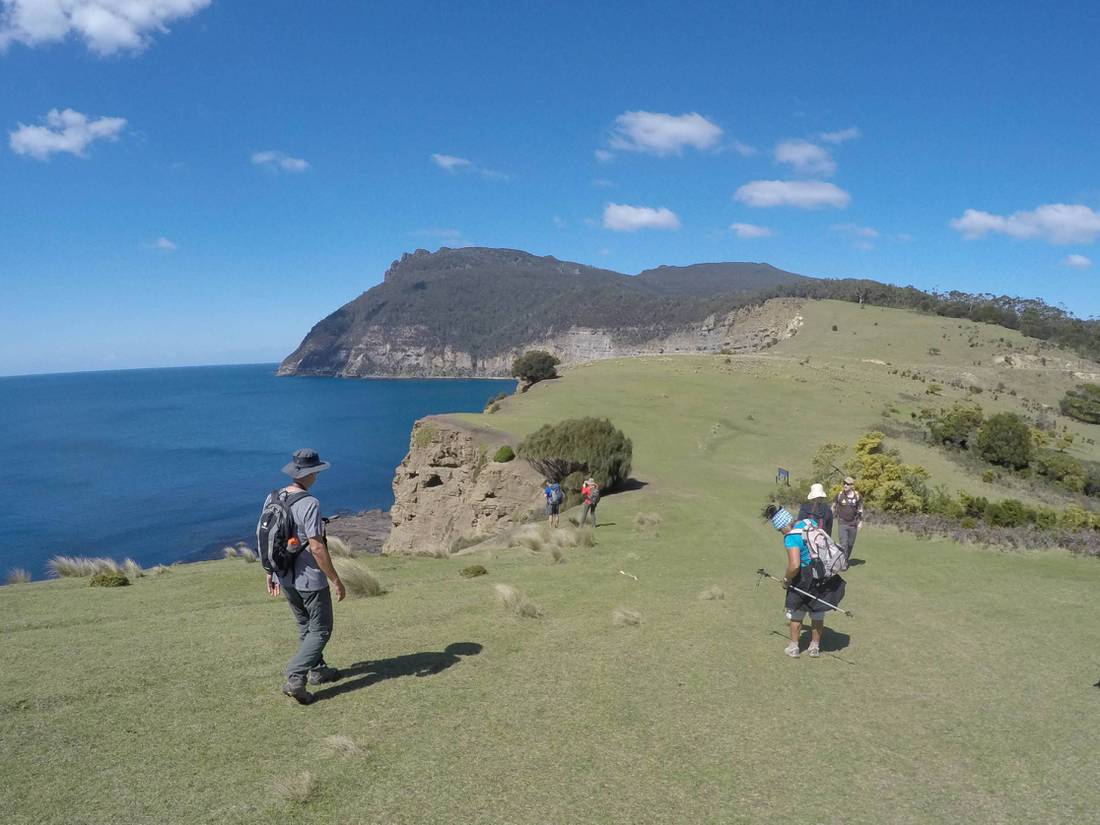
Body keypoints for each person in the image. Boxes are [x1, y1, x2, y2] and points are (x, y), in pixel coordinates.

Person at [263, 448, 346, 705]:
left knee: (304, 626)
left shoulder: (273, 496)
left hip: (284, 574)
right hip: (309, 577)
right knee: (320, 629)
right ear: (312, 473)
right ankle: (295, 676)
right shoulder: (310, 503)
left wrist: (270, 571)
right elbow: (317, 546)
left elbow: (266, 537)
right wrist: (334, 578)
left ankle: (318, 670)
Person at [763, 504, 846, 658]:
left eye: (780, 529)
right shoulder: (809, 523)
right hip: (823, 574)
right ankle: (814, 647)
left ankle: (794, 647)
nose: (781, 533)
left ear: (783, 525)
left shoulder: (790, 537)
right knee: (818, 613)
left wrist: (786, 580)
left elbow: (794, 566)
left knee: (796, 613)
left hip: (804, 577)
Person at [832, 476, 864, 560]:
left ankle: (845, 559)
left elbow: (860, 508)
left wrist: (860, 522)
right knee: (843, 544)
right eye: (844, 483)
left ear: (852, 486)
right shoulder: (839, 495)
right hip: (842, 523)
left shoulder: (857, 496)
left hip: (853, 524)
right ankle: (843, 562)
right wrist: (830, 516)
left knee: (850, 544)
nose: (845, 485)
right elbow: (833, 506)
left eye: (848, 484)